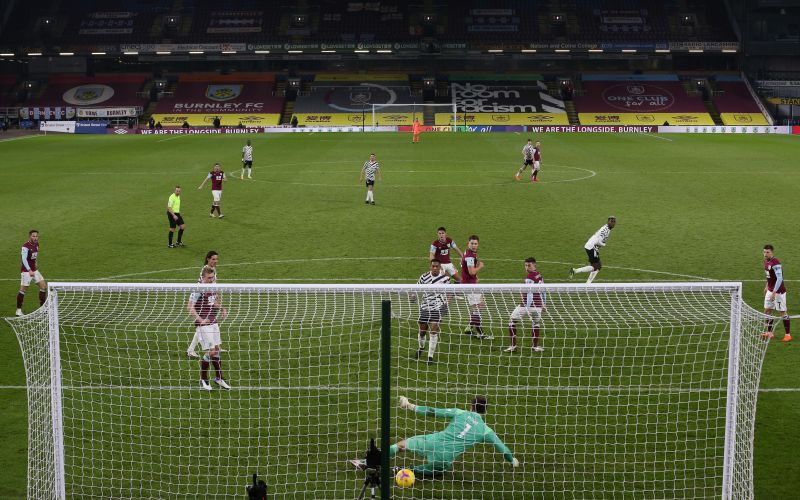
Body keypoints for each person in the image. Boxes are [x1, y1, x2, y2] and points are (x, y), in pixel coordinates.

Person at [351, 395, 519, 478]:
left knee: (401, 445)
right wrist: (512, 460)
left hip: (434, 442)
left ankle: (367, 462)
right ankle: (405, 471)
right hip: (445, 458)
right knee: (441, 469)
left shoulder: (460, 412)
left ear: (471, 405)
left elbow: (433, 412)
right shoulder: (485, 430)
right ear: (485, 411)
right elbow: (502, 448)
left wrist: (410, 405)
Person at [188, 266, 231, 391]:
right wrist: (200, 319)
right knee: (211, 351)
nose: (211, 280)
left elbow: (213, 302)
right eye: (209, 278)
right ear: (202, 277)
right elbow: (189, 306)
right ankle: (203, 379)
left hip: (213, 321)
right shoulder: (198, 289)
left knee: (217, 349)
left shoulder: (213, 287)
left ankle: (219, 378)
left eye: (212, 278)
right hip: (203, 323)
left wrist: (222, 308)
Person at [412, 259, 451, 364]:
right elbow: (416, 288)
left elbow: (450, 292)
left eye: (436, 266)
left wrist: (447, 303)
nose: (434, 268)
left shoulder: (445, 279)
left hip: (437, 308)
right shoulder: (424, 277)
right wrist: (413, 296)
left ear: (440, 267)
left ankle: (430, 356)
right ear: (430, 266)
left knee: (434, 330)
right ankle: (421, 347)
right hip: (425, 307)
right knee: (422, 331)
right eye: (433, 266)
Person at [505, 257, 545, 352]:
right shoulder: (539, 275)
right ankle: (535, 347)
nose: (527, 267)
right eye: (526, 265)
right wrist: (544, 304)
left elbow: (530, 293)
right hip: (538, 305)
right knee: (536, 323)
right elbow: (543, 291)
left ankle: (513, 346)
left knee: (512, 321)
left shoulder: (529, 278)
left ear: (534, 265)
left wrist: (527, 307)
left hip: (526, 305)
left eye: (529, 265)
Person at [187, 251, 219, 359]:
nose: (215, 261)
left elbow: (214, 285)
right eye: (213, 259)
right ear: (208, 259)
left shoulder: (212, 270)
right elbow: (201, 286)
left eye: (216, 259)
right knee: (203, 326)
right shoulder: (205, 270)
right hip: (204, 303)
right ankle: (210, 348)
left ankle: (192, 350)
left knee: (206, 326)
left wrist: (216, 297)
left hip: (210, 300)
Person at [569, 216, 616, 283]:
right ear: (608, 222)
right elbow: (598, 241)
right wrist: (603, 244)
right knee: (597, 266)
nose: (613, 223)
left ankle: (587, 282)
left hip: (592, 247)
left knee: (597, 266)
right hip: (591, 247)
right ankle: (575, 271)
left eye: (614, 222)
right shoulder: (605, 230)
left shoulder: (607, 228)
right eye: (611, 221)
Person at [461, 235, 490, 339]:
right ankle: (481, 334)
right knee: (478, 307)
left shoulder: (469, 253)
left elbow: (467, 269)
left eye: (475, 244)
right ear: (468, 243)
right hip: (469, 285)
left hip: (471, 282)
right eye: (472, 243)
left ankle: (469, 326)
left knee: (480, 305)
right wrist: (480, 267)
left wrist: (475, 278)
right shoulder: (469, 256)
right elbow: (471, 271)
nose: (474, 245)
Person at [762, 244, 791, 342]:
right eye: (764, 252)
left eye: (767, 252)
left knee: (782, 312)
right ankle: (770, 333)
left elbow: (779, 278)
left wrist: (774, 292)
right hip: (770, 290)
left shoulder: (776, 263)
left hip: (778, 291)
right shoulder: (766, 261)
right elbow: (770, 276)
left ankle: (788, 334)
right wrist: (767, 286)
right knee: (767, 310)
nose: (765, 254)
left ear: (772, 252)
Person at [15, 229, 47, 316]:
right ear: (30, 236)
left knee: (43, 286)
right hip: (26, 271)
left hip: (34, 270)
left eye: (36, 236)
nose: (35, 238)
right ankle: (18, 310)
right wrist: (29, 270)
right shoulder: (25, 246)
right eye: (33, 236)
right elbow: (24, 259)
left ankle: (42, 309)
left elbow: (35, 256)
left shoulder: (37, 244)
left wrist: (35, 263)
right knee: (23, 290)